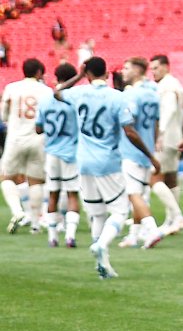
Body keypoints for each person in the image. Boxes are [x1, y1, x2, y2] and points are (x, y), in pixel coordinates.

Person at [54, 57, 160, 279]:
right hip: (108, 161)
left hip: (84, 161)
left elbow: (57, 92)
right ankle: (101, 245)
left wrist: (79, 76)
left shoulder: (79, 92)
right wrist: (150, 155)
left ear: (87, 73)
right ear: (107, 73)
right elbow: (130, 132)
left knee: (97, 214)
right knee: (120, 211)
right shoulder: (117, 97)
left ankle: (101, 264)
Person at [117, 57, 165, 249]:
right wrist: (151, 151)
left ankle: (153, 230)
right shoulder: (153, 94)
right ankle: (133, 235)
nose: (123, 71)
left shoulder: (131, 95)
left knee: (133, 194)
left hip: (132, 151)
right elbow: (156, 124)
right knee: (141, 196)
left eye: (126, 68)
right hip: (147, 151)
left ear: (137, 71)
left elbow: (129, 128)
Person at [1, 58, 51, 233]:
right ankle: (36, 225)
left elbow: (4, 115)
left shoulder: (12, 88)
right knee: (36, 181)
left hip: (16, 138)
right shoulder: (46, 91)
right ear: (39, 72)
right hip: (38, 139)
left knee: (7, 178)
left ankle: (18, 212)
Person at [35, 63, 81, 247]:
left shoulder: (45, 100)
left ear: (56, 76)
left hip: (52, 152)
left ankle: (52, 237)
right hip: (71, 152)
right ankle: (70, 236)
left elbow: (38, 128)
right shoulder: (74, 100)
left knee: (52, 194)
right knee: (72, 195)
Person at [149, 54, 183, 235]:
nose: (153, 72)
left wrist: (161, 133)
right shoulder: (177, 84)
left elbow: (170, 109)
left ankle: (178, 216)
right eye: (152, 68)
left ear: (166, 66)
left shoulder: (166, 86)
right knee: (171, 179)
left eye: (156, 68)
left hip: (165, 138)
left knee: (154, 178)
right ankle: (171, 221)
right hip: (176, 137)